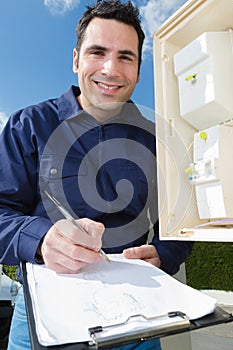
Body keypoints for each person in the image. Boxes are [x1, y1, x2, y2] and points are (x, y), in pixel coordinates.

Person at [0, 1, 193, 349]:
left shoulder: (158, 140)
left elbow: (180, 222)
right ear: (76, 59)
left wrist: (166, 252)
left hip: (140, 318)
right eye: (97, 52)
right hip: (42, 320)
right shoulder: (27, 126)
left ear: (138, 68)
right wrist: (41, 239)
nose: (111, 69)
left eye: (125, 57)